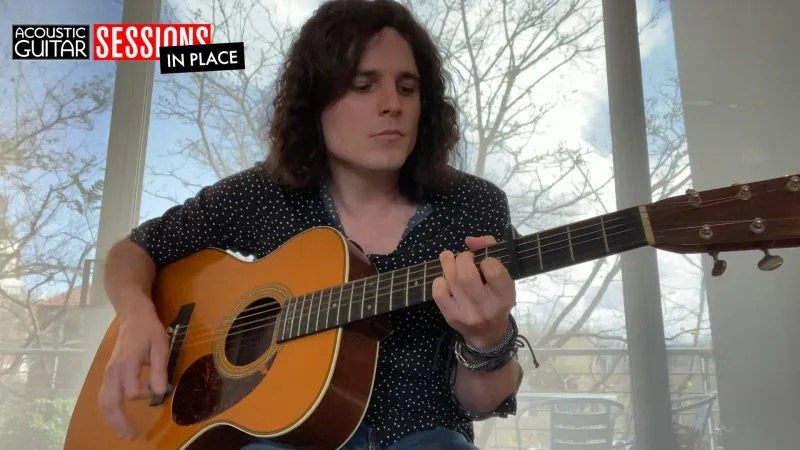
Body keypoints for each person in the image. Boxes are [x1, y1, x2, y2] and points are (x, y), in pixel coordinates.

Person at [98, 0, 529, 448]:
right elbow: (134, 250)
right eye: (363, 86)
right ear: (316, 102)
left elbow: (480, 402)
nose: (391, 106)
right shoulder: (264, 194)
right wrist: (135, 314)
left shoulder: (472, 206)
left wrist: (487, 335)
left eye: (407, 88)